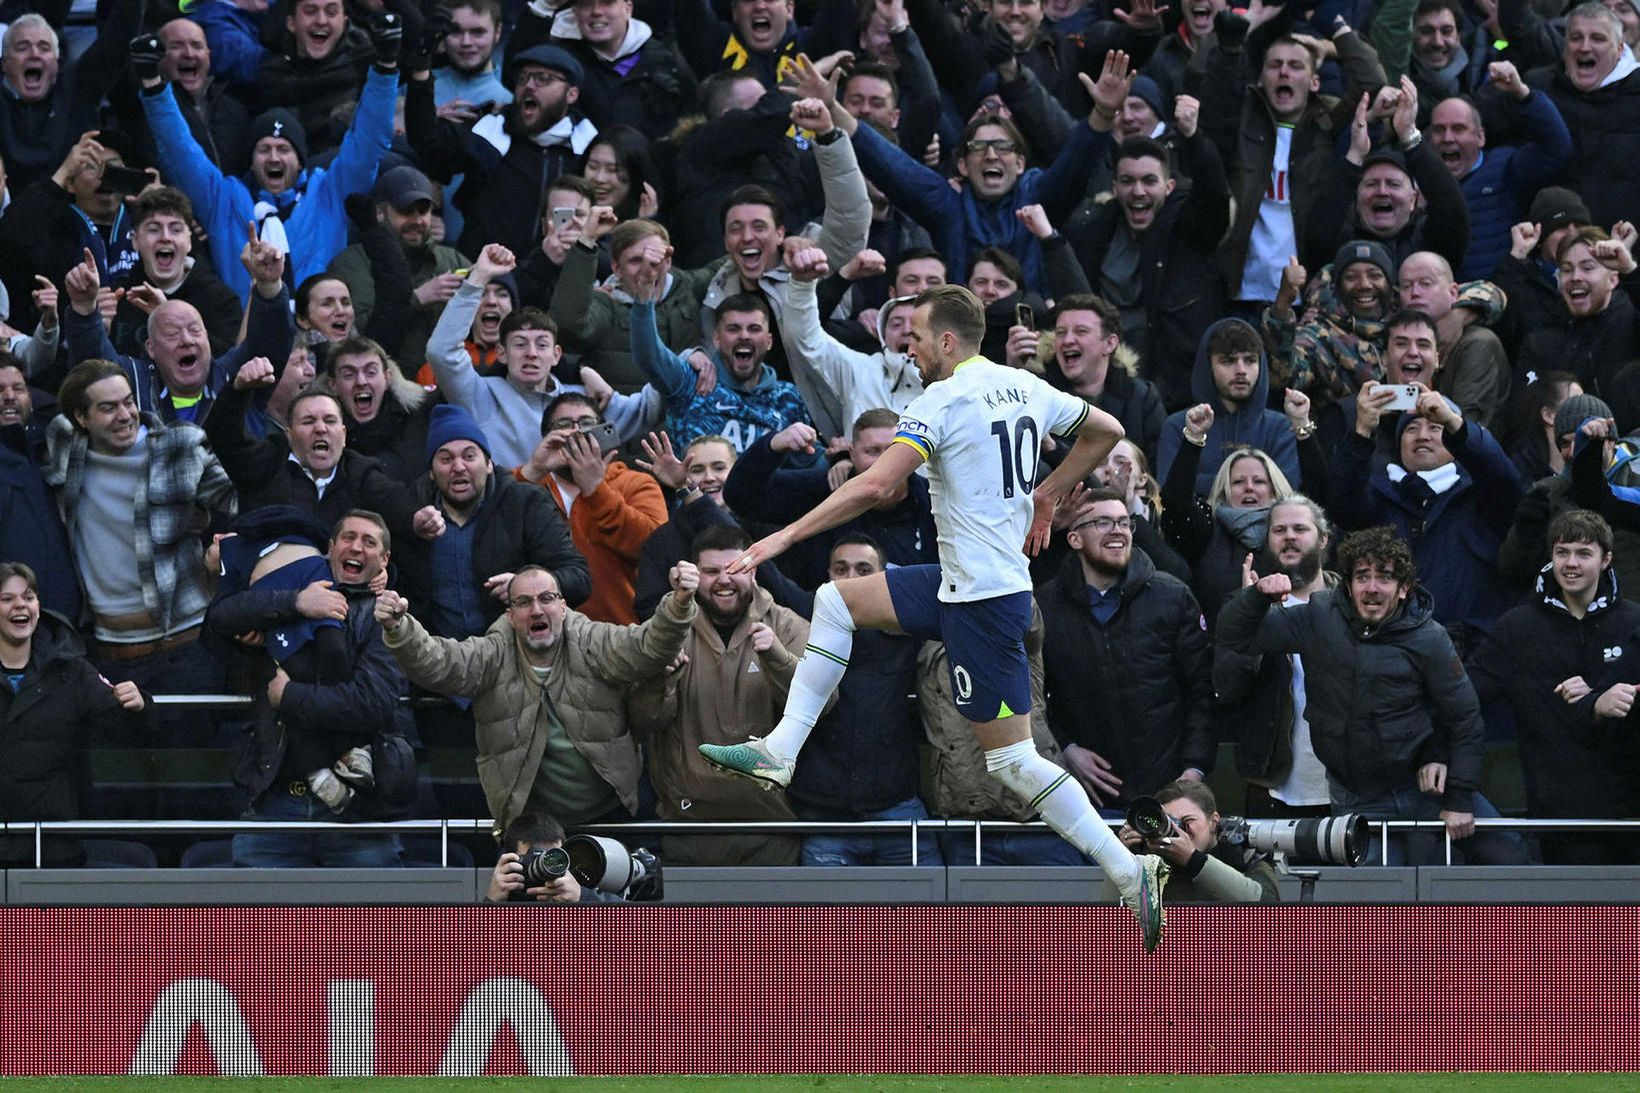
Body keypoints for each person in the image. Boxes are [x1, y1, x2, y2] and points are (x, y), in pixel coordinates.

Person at [698, 284, 1170, 950]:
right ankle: (781, 749)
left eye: (915, 337)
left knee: (1013, 763)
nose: (907, 347)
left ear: (947, 341)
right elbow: (1106, 431)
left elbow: (874, 485)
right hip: (963, 585)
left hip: (981, 603)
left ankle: (1128, 865)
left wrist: (778, 538)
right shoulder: (1023, 385)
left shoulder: (941, 400)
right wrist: (1046, 494)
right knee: (838, 599)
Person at [1218, 525, 1530, 865]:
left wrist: (1459, 797)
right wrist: (1256, 597)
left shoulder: (1429, 638)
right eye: (1362, 576)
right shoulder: (1319, 617)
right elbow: (1235, 636)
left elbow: (1465, 718)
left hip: (1424, 787)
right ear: (1349, 585)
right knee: (1376, 898)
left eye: (1384, 577)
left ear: (1404, 589)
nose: (1372, 587)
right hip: (1357, 798)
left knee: (1509, 854)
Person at [379, 558, 697, 834]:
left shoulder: (593, 640)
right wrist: (399, 628)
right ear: (510, 615)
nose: (536, 610)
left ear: (563, 606)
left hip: (608, 816)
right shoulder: (493, 652)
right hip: (527, 827)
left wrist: (679, 602)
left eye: (546, 598)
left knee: (606, 907)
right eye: (523, 602)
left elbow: (647, 647)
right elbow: (441, 663)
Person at [136, 21, 399, 304]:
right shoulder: (223, 199)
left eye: (284, 149)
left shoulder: (329, 194)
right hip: (248, 336)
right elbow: (181, 151)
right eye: (264, 149)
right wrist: (153, 87)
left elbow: (368, 142)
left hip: (321, 335)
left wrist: (385, 69)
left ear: (300, 162)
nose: (274, 157)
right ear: (250, 161)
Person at [44, 360, 238, 745]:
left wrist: (217, 550)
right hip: (107, 655)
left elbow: (239, 504)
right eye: (108, 407)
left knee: (191, 781)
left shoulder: (181, 445)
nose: (124, 415)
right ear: (81, 418)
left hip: (185, 649)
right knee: (122, 787)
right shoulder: (64, 445)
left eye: (128, 402)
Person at [204, 509, 409, 868]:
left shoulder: (383, 616)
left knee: (378, 923)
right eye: (348, 538)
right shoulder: (282, 597)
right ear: (328, 549)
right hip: (276, 804)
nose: (356, 547)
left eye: (369, 541)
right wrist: (295, 603)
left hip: (357, 813)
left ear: (385, 560)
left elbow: (372, 703)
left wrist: (289, 697)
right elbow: (217, 623)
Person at [630, 524, 811, 868]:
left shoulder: (788, 626)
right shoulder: (668, 627)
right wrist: (662, 681)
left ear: (753, 570)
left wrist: (777, 658)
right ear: (695, 574)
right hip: (685, 827)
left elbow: (822, 707)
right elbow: (641, 721)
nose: (724, 580)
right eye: (711, 571)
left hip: (772, 827)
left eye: (735, 568)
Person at [1470, 509, 1640, 864]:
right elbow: (1465, 700)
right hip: (1559, 818)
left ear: (1606, 559)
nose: (1571, 564)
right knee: (1571, 919)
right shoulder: (1517, 629)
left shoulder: (1634, 622)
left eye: (1583, 553)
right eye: (1562, 552)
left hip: (1631, 813)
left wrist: (1602, 702)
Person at [1038, 489, 1215, 810]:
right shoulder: (1045, 606)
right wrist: (1066, 748)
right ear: (1075, 539)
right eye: (1103, 522)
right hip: (1085, 800)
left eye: (1123, 522)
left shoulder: (1172, 597)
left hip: (1170, 793)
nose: (1117, 530)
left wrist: (1193, 770)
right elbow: (1033, 697)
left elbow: (1201, 692)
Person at [427, 243, 653, 469]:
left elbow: (648, 406)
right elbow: (441, 351)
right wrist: (478, 277)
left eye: (542, 345)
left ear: (556, 355)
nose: (532, 354)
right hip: (509, 502)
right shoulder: (480, 395)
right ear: (502, 353)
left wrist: (687, 358)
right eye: (520, 344)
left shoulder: (583, 400)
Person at [393, 404, 591, 637]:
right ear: (431, 472)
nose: (458, 467)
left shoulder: (525, 504)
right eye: (445, 459)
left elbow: (578, 577)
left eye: (469, 456)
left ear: (488, 464)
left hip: (516, 654)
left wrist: (524, 588)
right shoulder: (411, 513)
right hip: (438, 659)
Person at [0, 561, 146, 867]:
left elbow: (120, 730)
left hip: (53, 843)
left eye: (28, 597)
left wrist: (138, 704)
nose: (20, 605)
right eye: (7, 599)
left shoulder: (72, 669)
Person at [61, 237, 295, 425]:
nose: (186, 340)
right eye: (172, 333)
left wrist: (269, 285)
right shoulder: (132, 381)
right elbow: (90, 365)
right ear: (150, 348)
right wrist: (84, 308)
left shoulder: (233, 377)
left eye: (195, 331)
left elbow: (271, 341)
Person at [405, 42, 599, 258]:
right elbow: (428, 144)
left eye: (543, 79)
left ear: (571, 94)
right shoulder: (488, 133)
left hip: (559, 275)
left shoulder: (589, 149)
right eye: (523, 78)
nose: (529, 85)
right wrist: (421, 74)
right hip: (486, 275)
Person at [1213, 495, 1335, 818]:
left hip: (1342, 782)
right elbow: (1227, 688)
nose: (1289, 536)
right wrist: (1249, 610)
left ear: (1323, 538)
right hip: (1272, 784)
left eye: (1300, 528)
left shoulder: (1351, 604)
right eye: (1279, 530)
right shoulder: (1242, 606)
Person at [515, 393, 668, 625]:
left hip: (619, 633)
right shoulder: (523, 482)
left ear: (602, 431)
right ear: (547, 437)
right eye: (564, 425)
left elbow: (654, 548)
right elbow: (492, 529)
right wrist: (533, 471)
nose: (576, 432)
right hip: (539, 631)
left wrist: (596, 489)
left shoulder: (636, 483)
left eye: (586, 424)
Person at [327, 165, 469, 374]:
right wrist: (418, 298)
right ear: (380, 213)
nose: (417, 220)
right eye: (405, 211)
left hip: (443, 383)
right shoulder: (352, 262)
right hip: (378, 382)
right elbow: (356, 330)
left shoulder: (452, 260)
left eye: (423, 211)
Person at [1157, 318, 1301, 498]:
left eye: (1250, 360)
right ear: (1208, 367)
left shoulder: (1279, 427)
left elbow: (1286, 491)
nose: (1241, 370)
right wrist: (1258, 484)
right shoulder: (1180, 426)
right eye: (1228, 361)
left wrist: (1201, 481)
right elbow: (1169, 493)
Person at [1111, 781, 1280, 902]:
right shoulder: (1151, 859)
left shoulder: (1245, 854)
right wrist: (1122, 860)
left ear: (1213, 821)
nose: (1178, 830)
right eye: (1169, 822)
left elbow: (1266, 908)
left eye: (1187, 821)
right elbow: (1109, 922)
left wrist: (1193, 860)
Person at [1396, 252, 1510, 426]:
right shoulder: (1395, 332)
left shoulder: (1476, 343)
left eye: (1426, 284)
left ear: (1453, 292)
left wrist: (1459, 315)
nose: (1415, 293)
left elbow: (1467, 426)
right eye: (1406, 286)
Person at [485, 811, 626, 903]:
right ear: (510, 861)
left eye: (554, 858)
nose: (545, 866)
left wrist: (582, 897)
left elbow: (640, 927)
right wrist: (492, 901)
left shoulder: (575, 895)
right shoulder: (505, 897)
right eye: (533, 858)